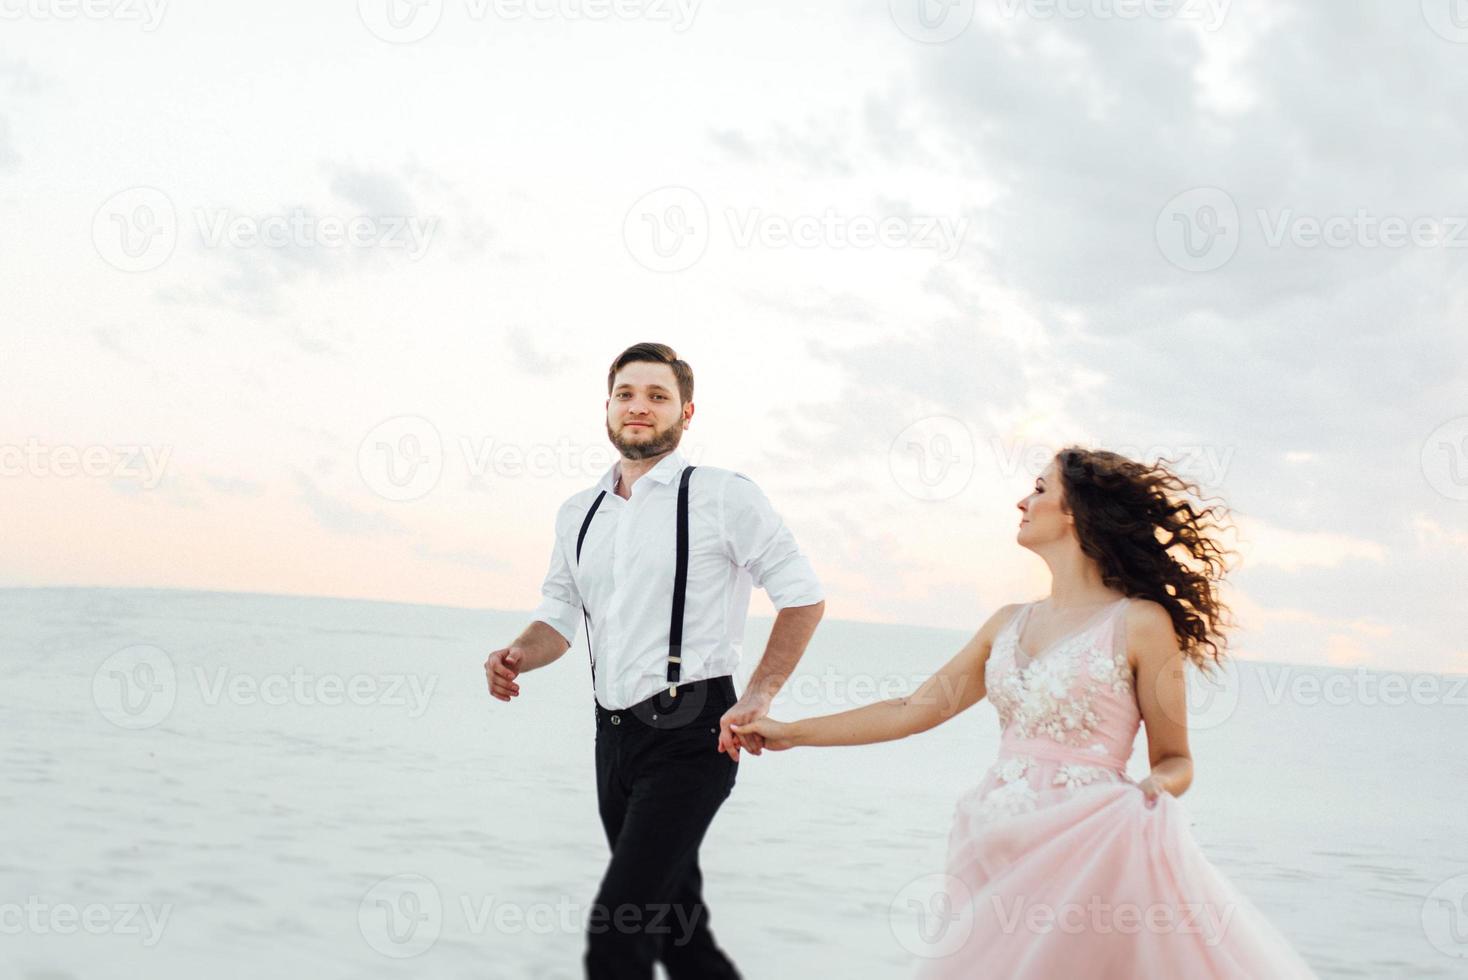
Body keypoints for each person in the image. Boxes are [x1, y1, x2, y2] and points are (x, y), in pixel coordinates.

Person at [732, 447, 1318, 978]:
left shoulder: (1141, 623)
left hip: (1088, 845)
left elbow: (1175, 759)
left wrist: (1147, 795)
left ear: (1076, 512)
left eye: (1039, 489)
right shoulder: (1008, 622)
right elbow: (913, 708)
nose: (1023, 500)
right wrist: (792, 732)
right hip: (991, 834)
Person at [484, 342, 826, 979]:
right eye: (626, 394)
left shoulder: (723, 496)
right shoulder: (578, 511)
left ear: (686, 413)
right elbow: (559, 614)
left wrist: (760, 694)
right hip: (611, 737)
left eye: (657, 396)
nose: (639, 407)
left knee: (617, 931)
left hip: (693, 733)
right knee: (675, 931)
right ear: (608, 408)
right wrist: (518, 655)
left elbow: (802, 597)